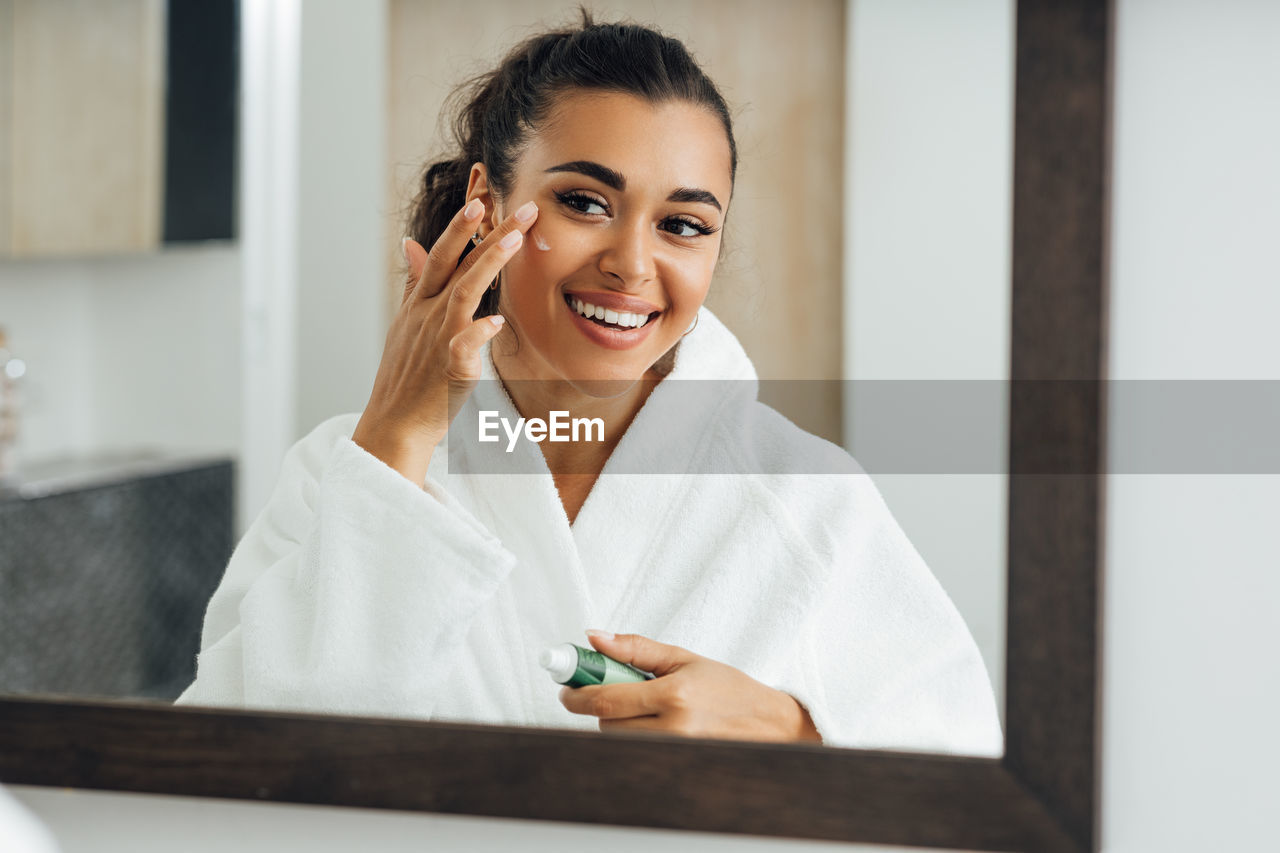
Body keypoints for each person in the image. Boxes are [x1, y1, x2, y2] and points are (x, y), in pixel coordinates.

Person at [178, 12, 1002, 756]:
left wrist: (791, 730)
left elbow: (971, 784)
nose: (632, 264)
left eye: (683, 224)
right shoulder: (344, 472)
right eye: (584, 201)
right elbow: (224, 773)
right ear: (487, 198)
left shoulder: (808, 502)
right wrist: (398, 436)